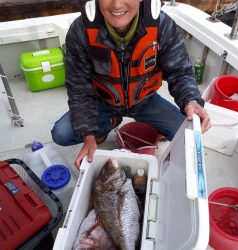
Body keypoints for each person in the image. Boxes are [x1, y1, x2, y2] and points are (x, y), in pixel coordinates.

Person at [51, 0, 211, 168]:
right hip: (103, 102)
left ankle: (149, 124)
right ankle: (110, 122)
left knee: (189, 133)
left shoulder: (162, 24)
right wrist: (88, 136)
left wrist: (191, 101)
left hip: (145, 101)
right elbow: (78, 87)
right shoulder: (81, 29)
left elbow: (180, 71)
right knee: (61, 134)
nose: (117, 5)